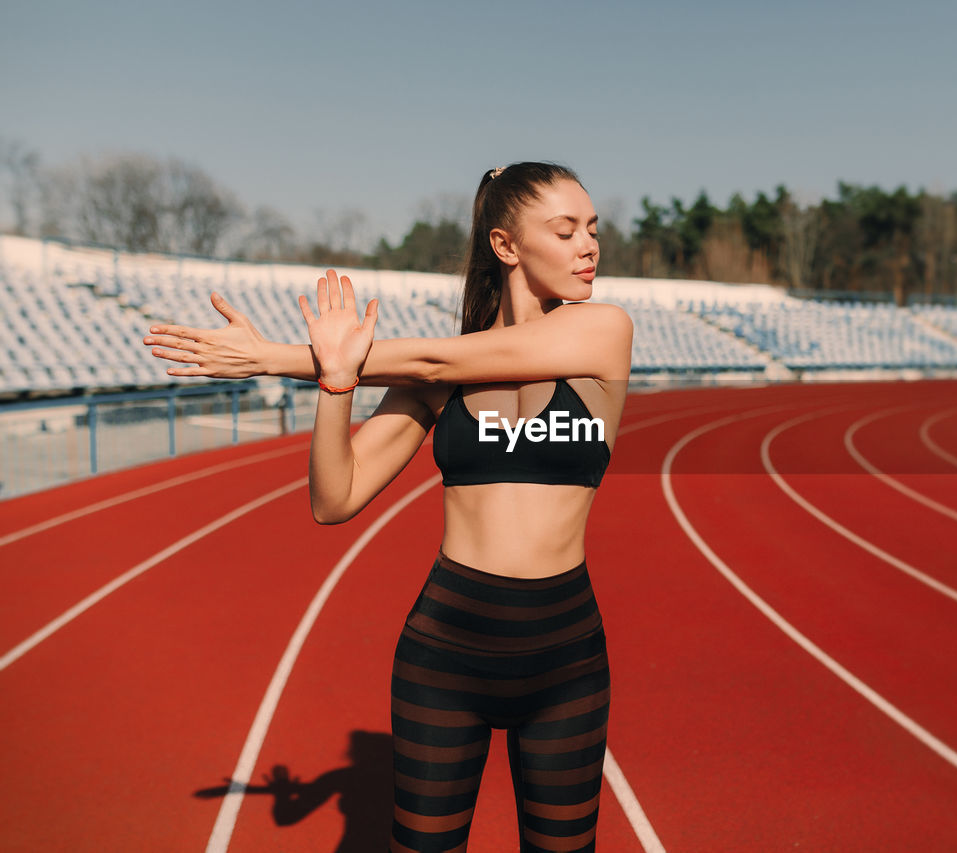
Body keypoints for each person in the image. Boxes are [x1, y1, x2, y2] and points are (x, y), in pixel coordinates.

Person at [144, 162, 632, 852]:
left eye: (592, 229)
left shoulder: (603, 333)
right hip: (447, 650)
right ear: (506, 245)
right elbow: (333, 498)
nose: (589, 246)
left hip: (565, 653)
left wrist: (278, 357)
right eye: (566, 229)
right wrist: (334, 385)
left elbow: (441, 361)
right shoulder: (439, 379)